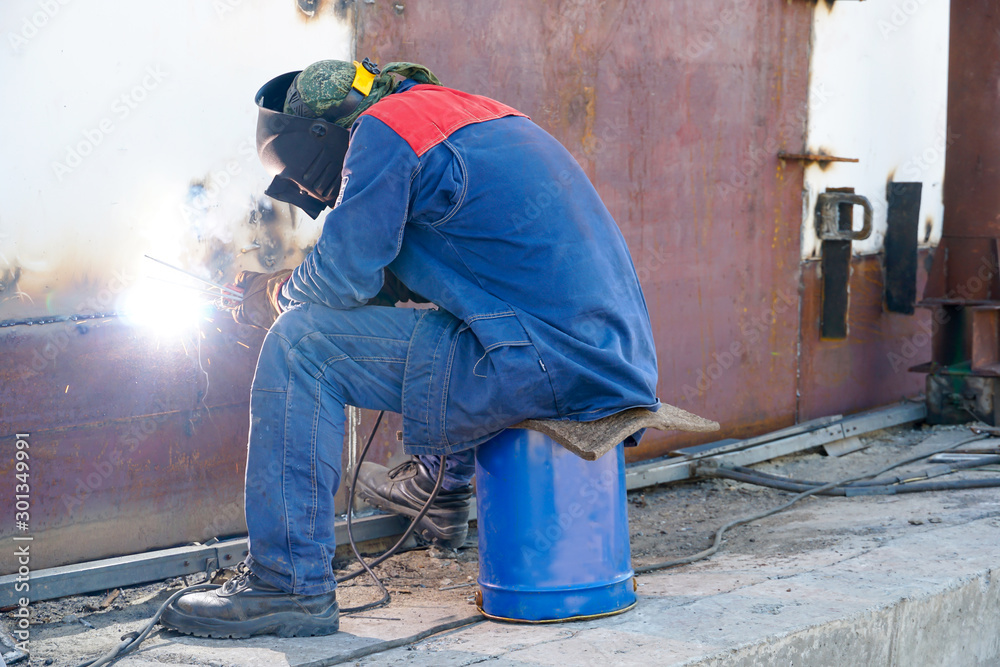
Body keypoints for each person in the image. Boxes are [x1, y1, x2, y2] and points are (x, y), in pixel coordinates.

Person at [159, 58, 658, 639]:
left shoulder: (384, 130)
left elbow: (341, 280)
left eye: (300, 177)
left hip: (542, 360)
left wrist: (273, 293)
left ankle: (286, 586)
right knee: (449, 321)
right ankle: (439, 491)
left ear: (322, 137)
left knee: (302, 345)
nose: (304, 192)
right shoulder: (471, 115)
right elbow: (442, 269)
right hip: (606, 361)